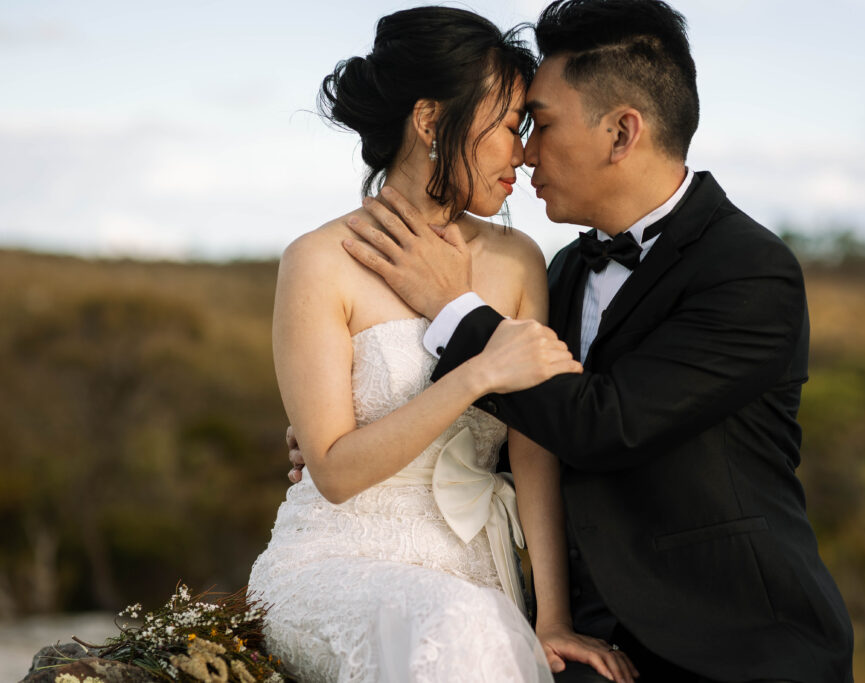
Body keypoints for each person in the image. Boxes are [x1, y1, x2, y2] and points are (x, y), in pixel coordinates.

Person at [305, 1, 857, 681]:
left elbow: (603, 423)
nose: (527, 149)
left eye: (542, 123)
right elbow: (520, 430)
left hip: (731, 640)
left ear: (622, 133)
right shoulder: (562, 269)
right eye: (517, 126)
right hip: (586, 630)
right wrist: (359, 437)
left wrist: (453, 307)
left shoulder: (748, 271)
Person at [248, 7, 635, 683]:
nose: (520, 151)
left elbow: (533, 449)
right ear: (429, 121)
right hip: (336, 562)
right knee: (454, 626)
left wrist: (551, 616)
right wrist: (476, 372)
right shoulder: (318, 261)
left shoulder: (518, 262)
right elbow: (333, 472)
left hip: (475, 567)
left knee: (470, 622)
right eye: (507, 127)